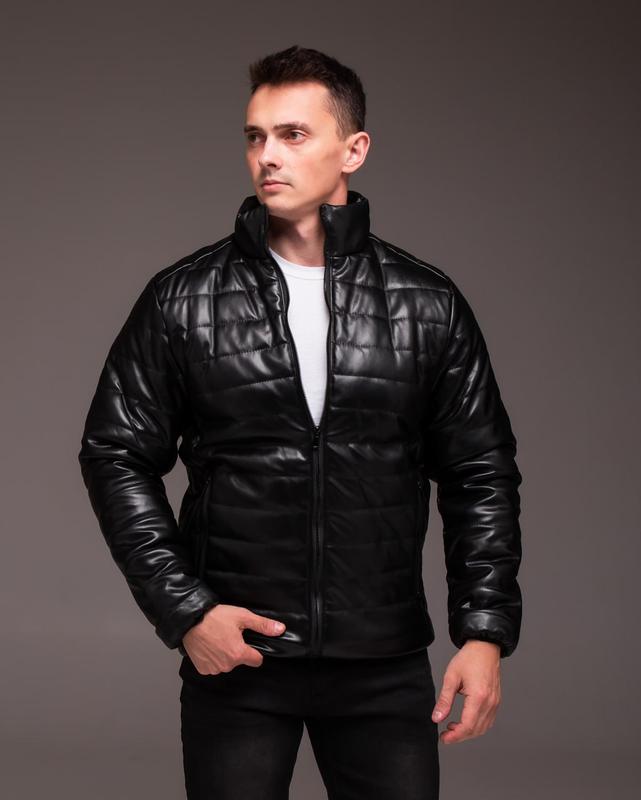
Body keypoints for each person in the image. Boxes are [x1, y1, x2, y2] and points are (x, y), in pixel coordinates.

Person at [78, 44, 523, 800]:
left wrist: (483, 633)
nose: (268, 156)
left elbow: (479, 473)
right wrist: (188, 612)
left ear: (353, 150)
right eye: (255, 136)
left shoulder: (427, 303)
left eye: (293, 134)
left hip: (382, 660)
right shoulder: (183, 298)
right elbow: (114, 454)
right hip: (240, 658)